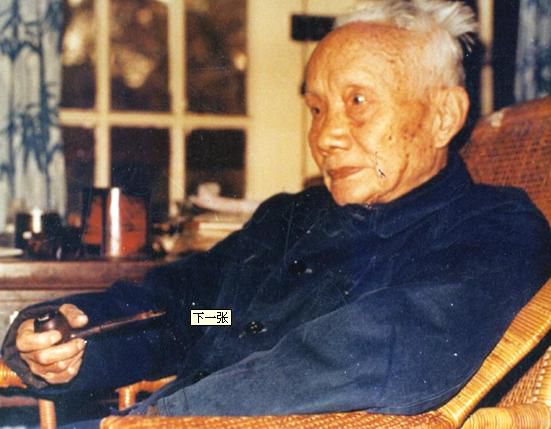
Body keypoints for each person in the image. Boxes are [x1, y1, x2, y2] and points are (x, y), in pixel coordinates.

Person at [2, 0, 550, 424]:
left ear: (443, 115)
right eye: (316, 108)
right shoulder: (291, 217)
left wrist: (167, 415)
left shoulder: (495, 226)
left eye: (357, 102)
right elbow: (195, 314)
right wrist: (77, 337)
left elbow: (387, 348)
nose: (326, 136)